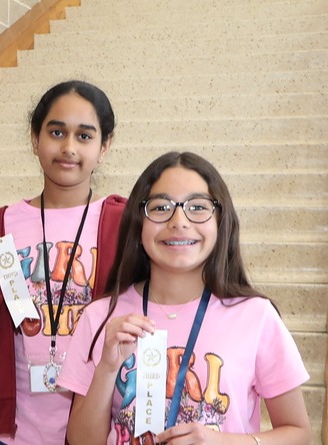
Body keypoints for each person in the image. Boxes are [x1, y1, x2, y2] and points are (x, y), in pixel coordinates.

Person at [60, 152, 311, 445]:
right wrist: (107, 368)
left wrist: (223, 442)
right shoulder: (101, 316)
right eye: (161, 207)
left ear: (220, 219)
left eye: (197, 207)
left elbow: (299, 433)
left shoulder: (256, 316)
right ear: (139, 223)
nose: (179, 221)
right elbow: (81, 441)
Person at [0, 80, 126, 444]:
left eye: (84, 136)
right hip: (14, 432)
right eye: (57, 132)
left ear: (105, 146)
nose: (68, 147)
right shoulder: (2, 226)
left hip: (97, 429)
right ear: (35, 139)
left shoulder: (120, 225)